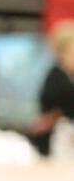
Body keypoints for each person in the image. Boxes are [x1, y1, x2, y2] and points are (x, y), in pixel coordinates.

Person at [31, 19, 74, 156]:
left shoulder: (68, 76)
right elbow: (51, 111)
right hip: (60, 136)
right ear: (63, 52)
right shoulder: (56, 77)